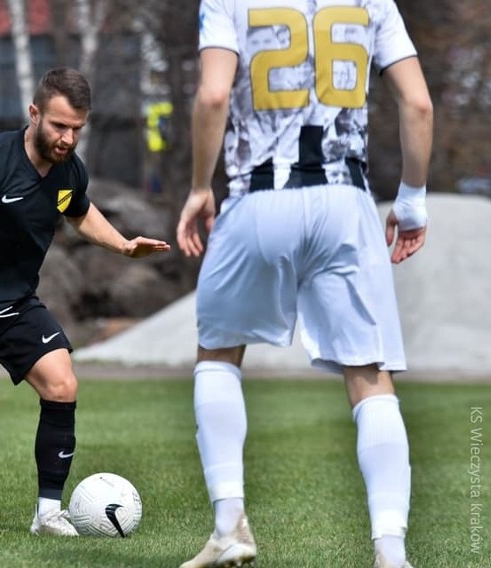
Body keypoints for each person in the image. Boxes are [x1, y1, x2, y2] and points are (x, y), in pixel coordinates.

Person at [176, 2, 433, 568]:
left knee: (218, 353)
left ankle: (229, 526)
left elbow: (214, 95)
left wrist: (200, 185)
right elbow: (416, 101)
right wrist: (411, 200)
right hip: (346, 199)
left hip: (259, 196)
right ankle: (392, 552)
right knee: (369, 376)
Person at [0, 67, 170, 536]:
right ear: (34, 114)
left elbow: (79, 209)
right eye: (58, 125)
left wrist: (121, 245)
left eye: (77, 128)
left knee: (62, 384)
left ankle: (47, 513)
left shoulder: (70, 168)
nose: (67, 138)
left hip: (15, 303)